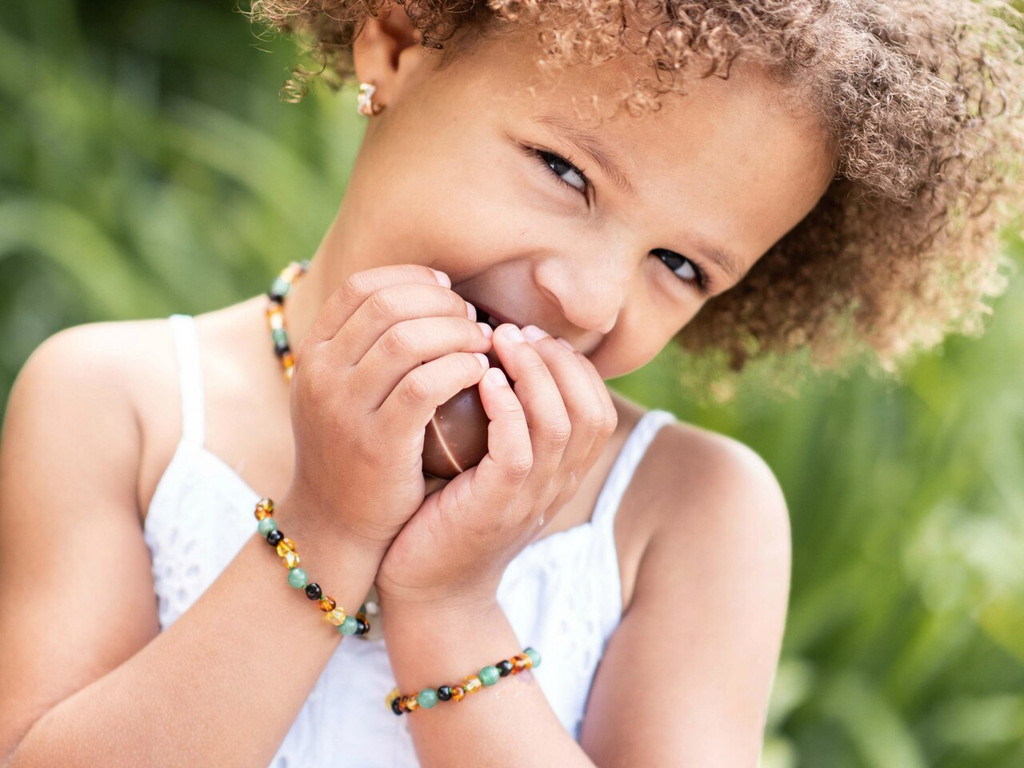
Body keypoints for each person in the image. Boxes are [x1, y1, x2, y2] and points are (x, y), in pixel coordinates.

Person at [1, 0, 1021, 765]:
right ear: (397, 43)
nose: (585, 299)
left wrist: (449, 607)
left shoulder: (688, 515)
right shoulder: (118, 404)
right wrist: (328, 531)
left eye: (680, 267)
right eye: (565, 172)